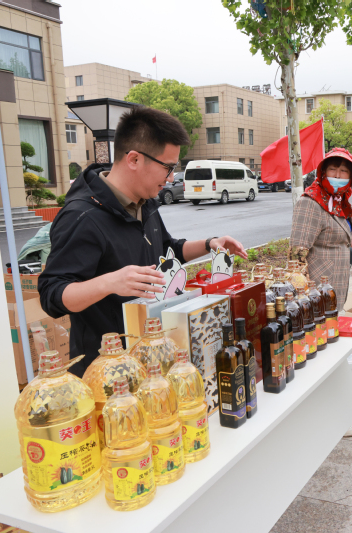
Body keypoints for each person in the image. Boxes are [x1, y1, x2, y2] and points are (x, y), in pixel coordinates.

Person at [39, 106, 246, 377]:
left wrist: (209, 244)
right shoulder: (83, 217)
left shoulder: (145, 203)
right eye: (167, 168)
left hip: (151, 358)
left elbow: (166, 250)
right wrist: (109, 282)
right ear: (134, 159)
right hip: (109, 372)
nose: (171, 178)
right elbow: (51, 295)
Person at [290, 148, 352, 311]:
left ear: (351, 176)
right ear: (323, 172)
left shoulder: (338, 201)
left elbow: (329, 232)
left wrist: (348, 238)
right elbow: (296, 256)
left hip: (336, 285)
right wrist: (304, 295)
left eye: (344, 171)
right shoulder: (310, 203)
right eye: (333, 169)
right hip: (318, 291)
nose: (338, 176)